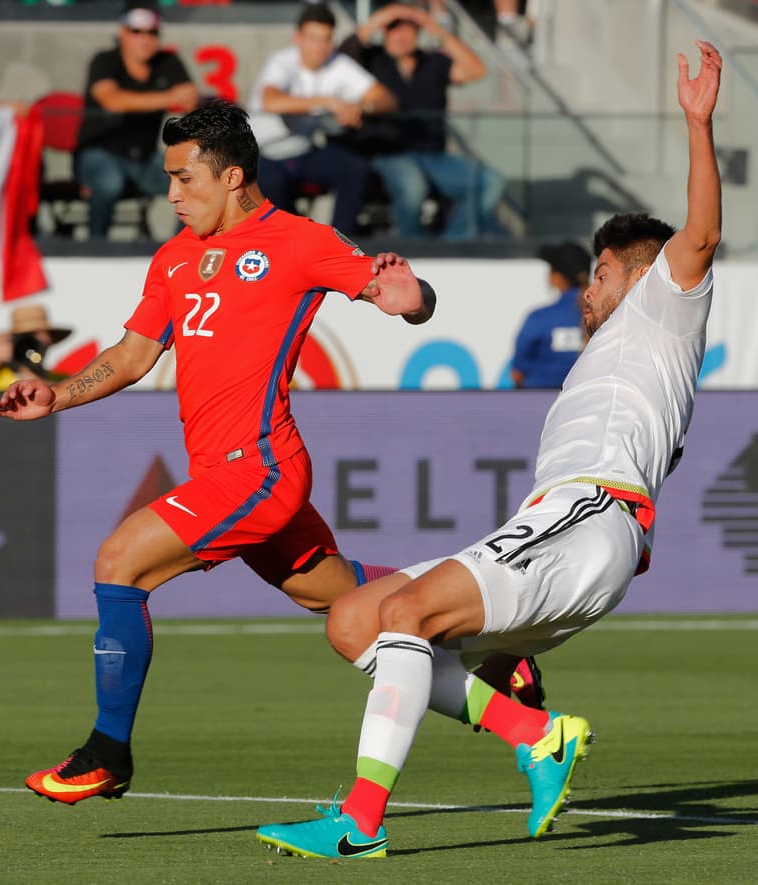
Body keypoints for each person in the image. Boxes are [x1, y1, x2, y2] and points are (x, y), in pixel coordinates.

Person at [257, 40, 722, 858]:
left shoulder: (661, 308)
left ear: (617, 270)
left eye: (595, 278)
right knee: (356, 619)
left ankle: (360, 823)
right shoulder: (620, 364)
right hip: (573, 524)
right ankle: (530, 733)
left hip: (588, 514)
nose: (585, 294)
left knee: (401, 614)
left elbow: (702, 237)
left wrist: (697, 123)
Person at [0, 100, 436, 805]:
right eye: (167, 179)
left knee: (119, 560)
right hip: (222, 473)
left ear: (232, 176)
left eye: (183, 179)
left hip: (261, 469)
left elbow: (396, 293)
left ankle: (107, 752)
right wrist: (58, 393)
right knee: (335, 592)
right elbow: (135, 355)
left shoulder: (296, 240)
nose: (170, 195)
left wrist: (413, 299)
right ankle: (486, 618)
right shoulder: (174, 258)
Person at [339, 1, 506, 239]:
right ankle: (412, 251)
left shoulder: (433, 62)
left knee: (491, 181)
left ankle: (452, 245)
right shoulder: (371, 59)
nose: (400, 35)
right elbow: (342, 54)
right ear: (384, 32)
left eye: (407, 28)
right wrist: (384, 16)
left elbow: (476, 70)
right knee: (412, 186)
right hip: (388, 153)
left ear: (418, 32)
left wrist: (434, 27)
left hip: (433, 154)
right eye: (393, 28)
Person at [248, 2, 396, 235]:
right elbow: (271, 101)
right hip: (262, 154)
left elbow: (386, 99)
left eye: (326, 39)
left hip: (302, 150)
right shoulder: (282, 61)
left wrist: (359, 106)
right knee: (274, 195)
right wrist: (327, 102)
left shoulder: (338, 64)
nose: (320, 47)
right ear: (298, 39)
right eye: (313, 38)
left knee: (355, 168)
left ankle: (340, 245)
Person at [74, 3, 198, 240]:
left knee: (193, 181)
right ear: (122, 32)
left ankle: (182, 248)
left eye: (152, 33)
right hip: (99, 152)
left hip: (145, 157)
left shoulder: (167, 62)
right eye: (136, 31)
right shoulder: (105, 60)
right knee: (109, 182)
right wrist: (168, 97)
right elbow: (111, 100)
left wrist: (168, 98)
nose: (145, 39)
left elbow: (190, 97)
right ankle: (94, 248)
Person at [509, 241, 590, 389]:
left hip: (537, 405)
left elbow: (517, 374)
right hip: (586, 406)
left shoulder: (539, 319)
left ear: (557, 277)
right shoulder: (604, 318)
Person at [0, 304, 73, 392]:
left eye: (38, 334)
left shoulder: (60, 379)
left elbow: (62, 396)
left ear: (50, 339)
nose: (30, 343)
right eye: (26, 335)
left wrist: (24, 371)